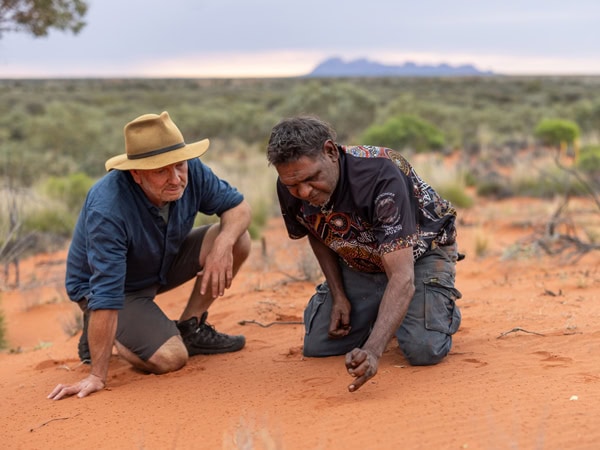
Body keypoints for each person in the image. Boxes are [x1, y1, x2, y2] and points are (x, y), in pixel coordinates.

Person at [48, 111, 252, 400]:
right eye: (161, 171)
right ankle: (106, 333)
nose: (176, 178)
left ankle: (190, 327)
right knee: (171, 357)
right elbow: (106, 292)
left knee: (237, 240)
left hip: (159, 261)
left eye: (179, 166)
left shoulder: (190, 170)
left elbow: (240, 209)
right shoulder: (108, 208)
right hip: (111, 288)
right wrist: (97, 374)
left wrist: (222, 246)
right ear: (136, 173)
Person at [266, 116, 462, 393]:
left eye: (312, 179)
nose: (304, 192)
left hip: (419, 255)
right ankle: (389, 307)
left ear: (331, 151)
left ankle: (439, 307)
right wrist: (338, 295)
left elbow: (402, 276)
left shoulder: (381, 174)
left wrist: (372, 350)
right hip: (361, 258)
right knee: (319, 345)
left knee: (423, 348)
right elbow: (315, 231)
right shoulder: (292, 185)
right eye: (293, 185)